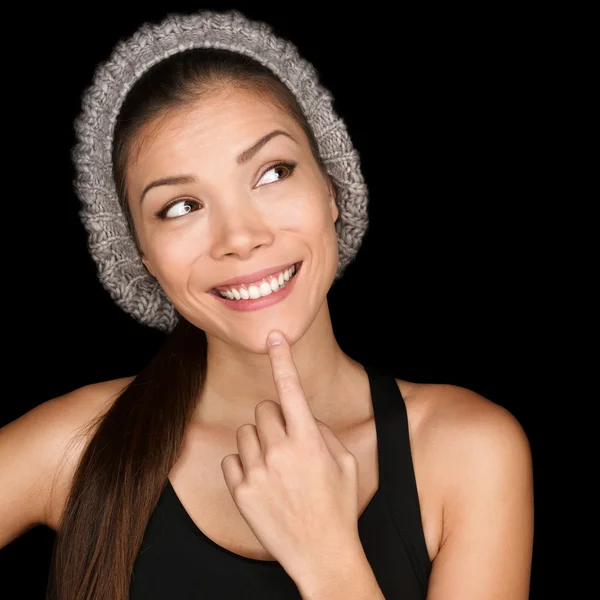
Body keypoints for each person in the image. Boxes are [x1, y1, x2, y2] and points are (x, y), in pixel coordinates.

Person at [0, 9, 534, 600]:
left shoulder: (469, 451)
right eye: (180, 206)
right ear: (143, 258)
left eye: (273, 172)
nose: (239, 237)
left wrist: (327, 556)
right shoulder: (80, 444)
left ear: (330, 189)